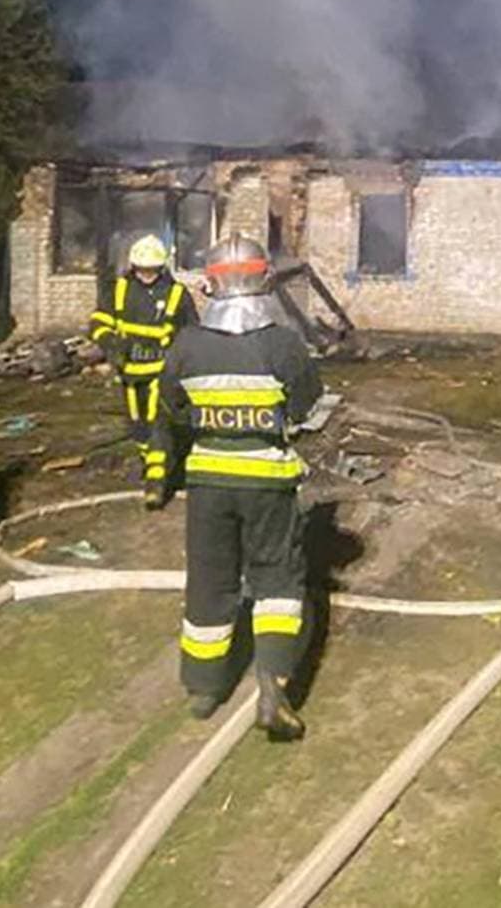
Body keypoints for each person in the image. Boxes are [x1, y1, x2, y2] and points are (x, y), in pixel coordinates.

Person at [159, 233, 322, 741]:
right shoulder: (281, 341)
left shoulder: (187, 343)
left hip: (208, 480)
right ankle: (272, 685)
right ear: (265, 280)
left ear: (209, 285)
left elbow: (173, 407)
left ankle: (205, 688)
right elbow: (307, 404)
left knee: (210, 579)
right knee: (276, 580)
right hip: (268, 480)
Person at [89, 234, 199, 507]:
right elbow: (99, 321)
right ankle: (154, 466)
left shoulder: (176, 294)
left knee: (158, 423)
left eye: (151, 270)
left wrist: (184, 365)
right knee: (137, 426)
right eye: (141, 269)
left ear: (161, 267)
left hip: (164, 373)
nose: (146, 275)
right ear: (133, 266)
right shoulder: (119, 290)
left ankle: (156, 484)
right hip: (130, 372)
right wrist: (110, 343)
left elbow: (192, 333)